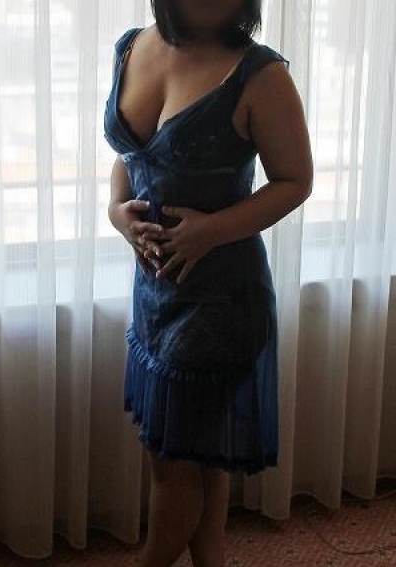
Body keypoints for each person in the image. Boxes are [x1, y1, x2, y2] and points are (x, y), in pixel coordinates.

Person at [104, 1, 313, 565]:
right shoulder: (133, 45)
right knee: (199, 457)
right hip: (155, 292)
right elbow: (129, 154)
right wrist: (117, 212)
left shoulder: (260, 74)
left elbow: (295, 180)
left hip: (220, 298)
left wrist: (211, 230)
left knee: (174, 473)